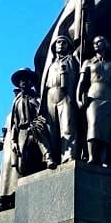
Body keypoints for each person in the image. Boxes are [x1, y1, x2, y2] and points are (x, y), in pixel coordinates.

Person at [76, 35, 111, 166]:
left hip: (109, 97)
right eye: (94, 42)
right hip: (93, 97)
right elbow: (81, 83)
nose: (96, 44)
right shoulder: (88, 62)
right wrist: (78, 99)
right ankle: (92, 157)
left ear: (105, 44)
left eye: (99, 42)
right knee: (93, 124)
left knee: (107, 130)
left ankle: (104, 160)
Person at [40, 33, 80, 165]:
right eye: (58, 42)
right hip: (50, 96)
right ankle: (54, 157)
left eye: (64, 42)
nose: (61, 45)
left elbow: (76, 80)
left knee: (67, 127)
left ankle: (68, 156)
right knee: (52, 129)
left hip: (65, 95)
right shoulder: (50, 65)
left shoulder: (71, 60)